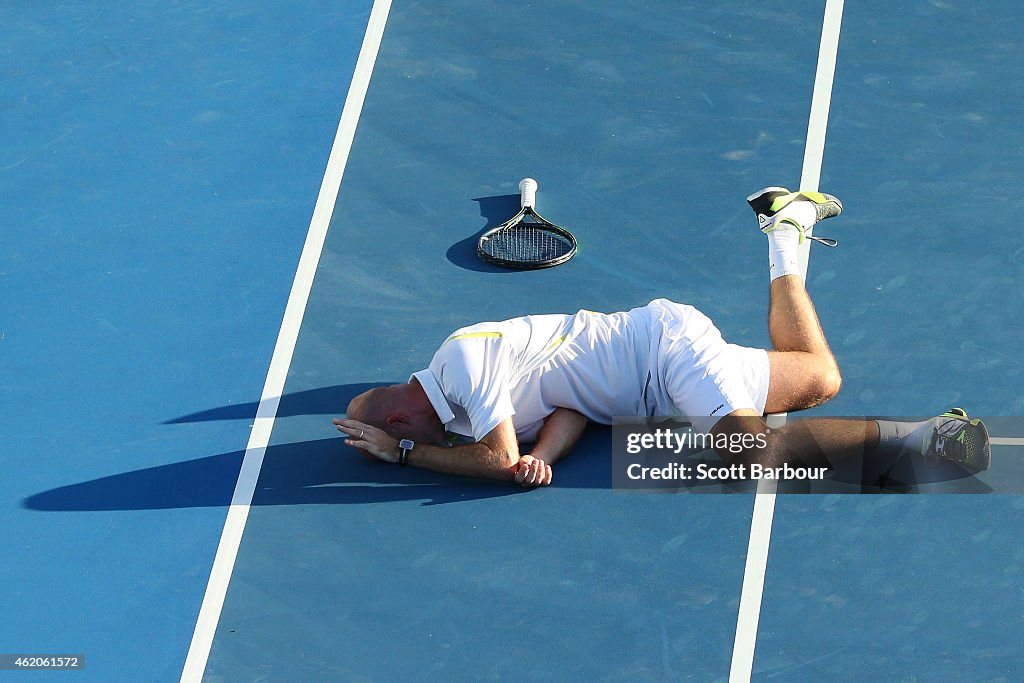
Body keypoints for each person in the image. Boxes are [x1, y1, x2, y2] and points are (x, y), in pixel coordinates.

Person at [334, 187, 991, 487]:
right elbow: (568, 406)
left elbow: (494, 462)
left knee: (747, 452)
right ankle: (788, 230)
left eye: (408, 433)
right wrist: (549, 457)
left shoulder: (461, 363)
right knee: (820, 377)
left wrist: (401, 457)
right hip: (658, 384)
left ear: (398, 416)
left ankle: (932, 437)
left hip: (663, 351)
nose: (435, 442)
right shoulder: (461, 403)